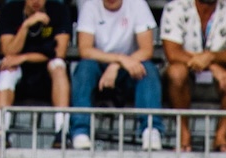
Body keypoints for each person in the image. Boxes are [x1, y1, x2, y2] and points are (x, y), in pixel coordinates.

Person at [69, 0, 163, 148]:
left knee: (147, 70)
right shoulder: (90, 6)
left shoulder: (137, 4)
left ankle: (151, 130)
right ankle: (80, 131)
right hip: (100, 65)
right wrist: (118, 60)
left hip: (129, 66)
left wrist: (116, 66)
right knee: (84, 68)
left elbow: (146, 50)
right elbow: (85, 50)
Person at [162, 0, 226, 150]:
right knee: (176, 72)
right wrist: (212, 66)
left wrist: (211, 57)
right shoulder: (175, 7)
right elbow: (173, 53)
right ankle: (184, 136)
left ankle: (221, 136)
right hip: (187, 78)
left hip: (221, 81)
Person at [0, 0, 71, 133]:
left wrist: (24, 57)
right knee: (7, 70)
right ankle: (2, 131)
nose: (36, 1)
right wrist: (25, 25)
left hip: (46, 70)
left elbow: (59, 52)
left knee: (58, 66)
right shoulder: (10, 10)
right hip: (20, 70)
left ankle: (62, 131)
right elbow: (8, 50)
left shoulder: (58, 10)